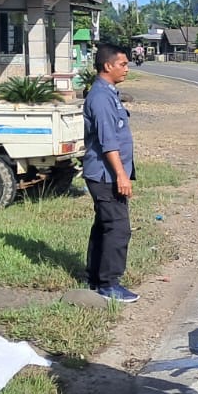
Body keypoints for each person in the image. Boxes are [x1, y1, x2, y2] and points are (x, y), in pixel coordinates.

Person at [83, 43, 136, 303]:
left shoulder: (109, 93)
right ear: (107, 66)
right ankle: (109, 284)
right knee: (117, 228)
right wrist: (121, 175)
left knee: (104, 225)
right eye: (122, 64)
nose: (126, 69)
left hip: (106, 174)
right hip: (106, 175)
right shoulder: (101, 97)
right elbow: (108, 141)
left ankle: (95, 277)